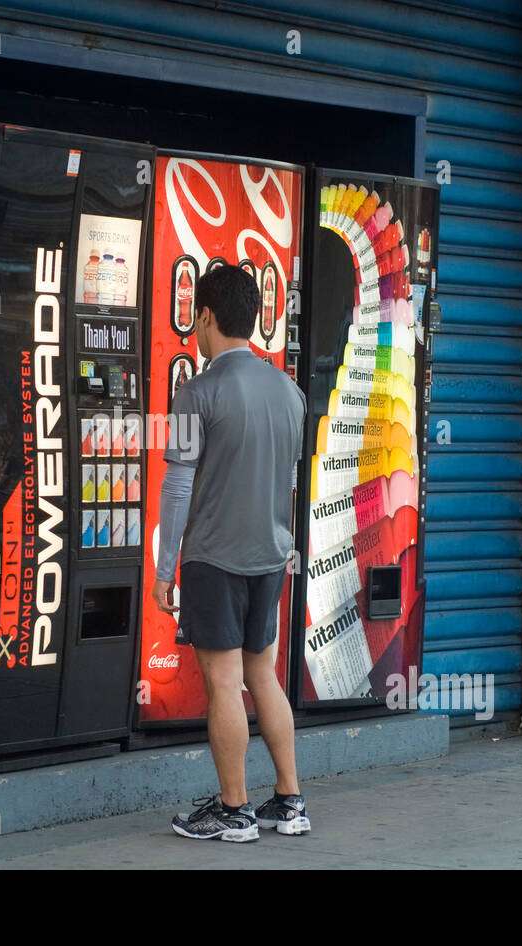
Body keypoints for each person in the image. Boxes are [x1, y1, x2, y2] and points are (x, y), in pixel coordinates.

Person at [153, 264, 308, 842]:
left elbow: (177, 485)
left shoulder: (197, 392)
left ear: (207, 317)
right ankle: (290, 802)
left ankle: (234, 808)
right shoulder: (290, 393)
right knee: (261, 675)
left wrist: (166, 569)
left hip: (214, 560)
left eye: (196, 315)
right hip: (271, 556)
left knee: (223, 683)